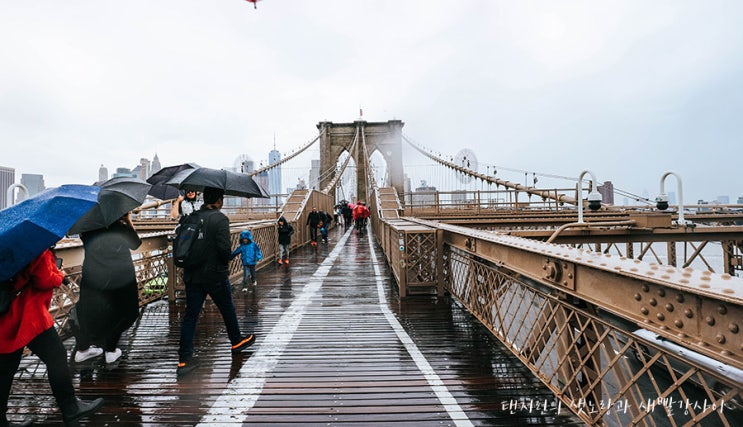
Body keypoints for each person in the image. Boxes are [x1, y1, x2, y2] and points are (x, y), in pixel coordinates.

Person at [0, 249, 104, 426]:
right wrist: (59, 274)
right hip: (28, 315)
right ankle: (70, 408)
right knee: (56, 356)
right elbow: (44, 278)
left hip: (8, 316)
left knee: (5, 369)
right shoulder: (33, 243)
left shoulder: (9, 242)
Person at [177, 187, 255, 377]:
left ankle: (184, 360)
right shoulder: (220, 219)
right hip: (214, 275)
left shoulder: (192, 217)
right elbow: (224, 250)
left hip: (193, 275)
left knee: (191, 316)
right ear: (219, 200)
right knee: (227, 308)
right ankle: (236, 342)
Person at [73, 212, 141, 368]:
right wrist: (128, 221)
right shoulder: (120, 227)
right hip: (119, 277)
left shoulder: (88, 229)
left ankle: (83, 349)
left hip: (93, 276)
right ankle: (110, 349)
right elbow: (136, 244)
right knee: (125, 311)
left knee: (89, 310)